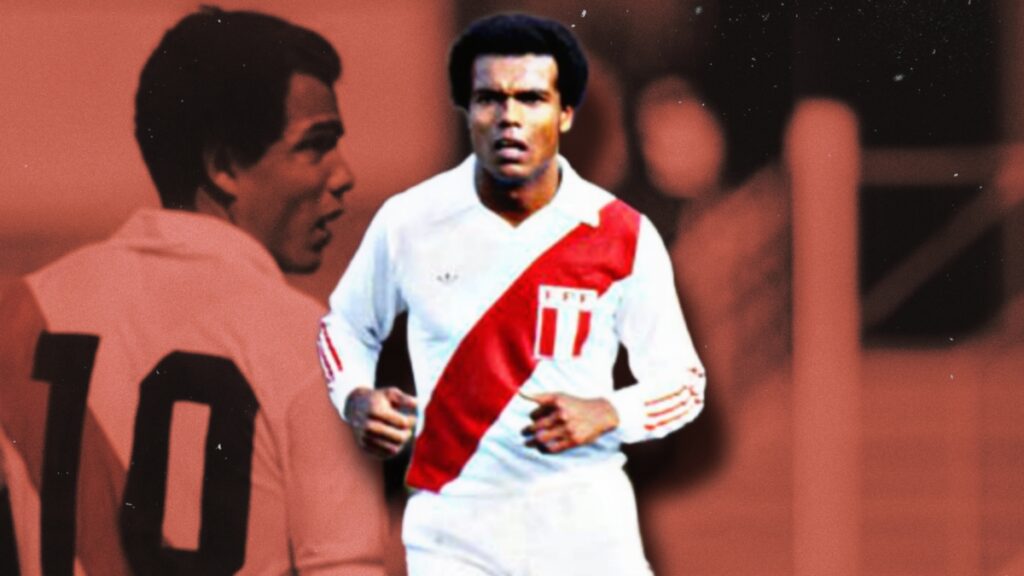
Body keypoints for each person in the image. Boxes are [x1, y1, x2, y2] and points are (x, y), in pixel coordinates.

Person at [0, 7, 386, 575]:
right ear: (223, 166)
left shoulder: (19, 317)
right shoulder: (309, 342)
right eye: (315, 145)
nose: (344, 174)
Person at [318, 12, 705, 575]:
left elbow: (685, 388)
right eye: (489, 99)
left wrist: (609, 413)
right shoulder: (410, 226)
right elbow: (343, 329)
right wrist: (357, 397)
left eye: (532, 100)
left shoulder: (626, 238)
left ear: (567, 116)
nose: (510, 119)